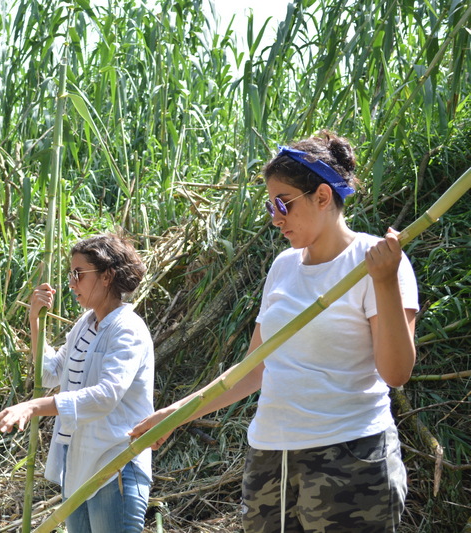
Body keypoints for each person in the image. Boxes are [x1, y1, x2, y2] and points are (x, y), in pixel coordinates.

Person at [130, 131, 418, 533]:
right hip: (271, 456)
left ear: (322, 196)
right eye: (271, 205)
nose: (275, 218)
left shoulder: (375, 263)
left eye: (283, 203)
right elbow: (253, 370)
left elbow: (396, 372)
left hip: (349, 456)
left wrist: (384, 282)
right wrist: (174, 415)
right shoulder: (283, 266)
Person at [0, 234, 154, 533]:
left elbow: (106, 396)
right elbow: (50, 373)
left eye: (79, 274)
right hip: (78, 464)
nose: (72, 283)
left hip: (115, 463)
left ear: (107, 276)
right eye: (71, 275)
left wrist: (33, 407)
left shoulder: (127, 328)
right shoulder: (86, 325)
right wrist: (35, 321)